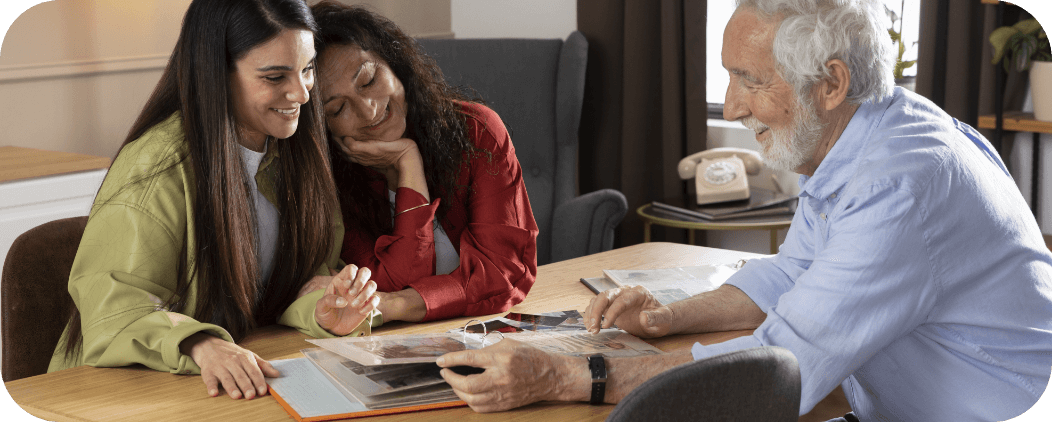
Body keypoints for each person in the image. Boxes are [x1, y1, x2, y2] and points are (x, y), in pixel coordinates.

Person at [436, 0, 1052, 420]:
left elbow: (779, 370)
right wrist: (666, 319)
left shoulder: (899, 185)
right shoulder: (872, 135)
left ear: (831, 84)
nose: (730, 108)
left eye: (749, 80)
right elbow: (791, 274)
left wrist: (568, 376)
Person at [48, 0, 380, 401]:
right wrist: (200, 344)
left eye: (307, 69)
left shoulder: (295, 151)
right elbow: (115, 310)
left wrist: (323, 307)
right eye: (275, 76)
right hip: (117, 394)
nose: (301, 94)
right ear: (216, 74)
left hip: (226, 388)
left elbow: (294, 279)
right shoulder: (156, 167)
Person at [305, 1, 539, 324]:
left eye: (369, 79)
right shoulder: (333, 185)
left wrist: (398, 305)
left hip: (488, 333)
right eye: (338, 109)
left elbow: (503, 273)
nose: (369, 110)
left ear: (394, 63)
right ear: (324, 126)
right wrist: (407, 163)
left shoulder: (477, 133)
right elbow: (384, 284)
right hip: (389, 350)